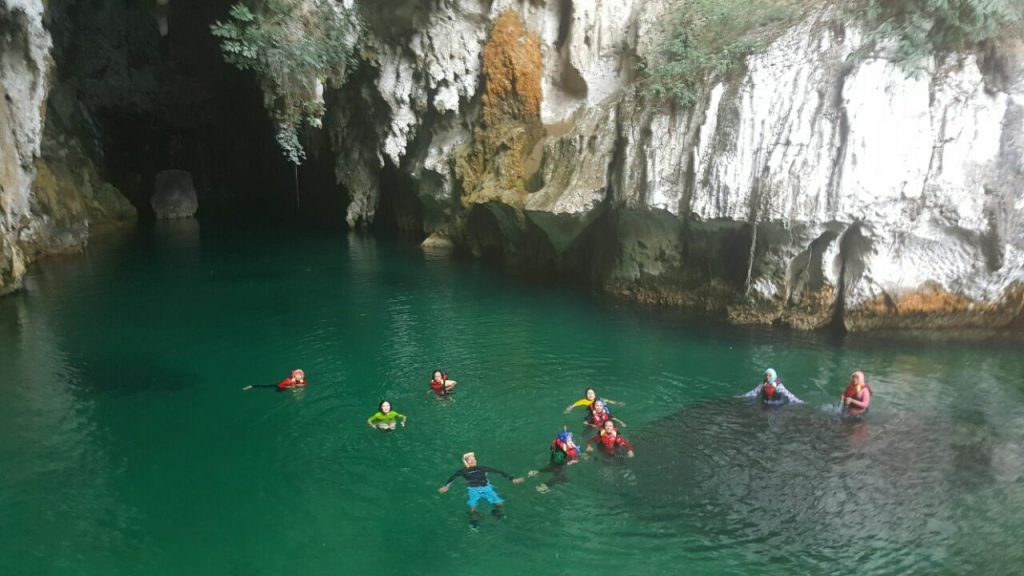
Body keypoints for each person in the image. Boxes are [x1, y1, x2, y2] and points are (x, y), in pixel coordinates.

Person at [438, 452, 523, 529]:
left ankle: (495, 511)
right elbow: (453, 478)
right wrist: (446, 486)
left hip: (487, 488)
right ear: (466, 462)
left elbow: (498, 472)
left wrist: (512, 479)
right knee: (473, 508)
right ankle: (473, 522)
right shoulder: (463, 471)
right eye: (470, 460)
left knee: (500, 504)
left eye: (474, 459)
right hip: (473, 490)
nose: (473, 461)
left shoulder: (482, 468)